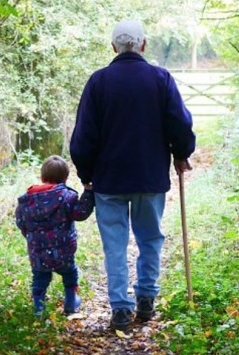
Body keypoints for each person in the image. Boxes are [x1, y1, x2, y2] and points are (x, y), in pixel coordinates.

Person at [70, 19, 196, 331]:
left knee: (115, 244)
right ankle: (146, 301)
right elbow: (179, 123)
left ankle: (121, 309)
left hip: (108, 180)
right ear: (143, 44)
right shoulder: (160, 78)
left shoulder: (98, 82)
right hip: (149, 178)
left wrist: (86, 175)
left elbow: (84, 136)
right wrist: (182, 153)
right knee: (150, 238)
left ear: (113, 47)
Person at [15, 155, 95, 317]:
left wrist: (32, 238)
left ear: (42, 177)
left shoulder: (27, 200)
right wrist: (88, 193)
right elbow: (80, 213)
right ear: (65, 179)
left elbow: (21, 222)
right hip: (63, 252)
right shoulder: (67, 197)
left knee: (40, 280)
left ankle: (39, 310)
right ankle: (71, 303)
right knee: (70, 274)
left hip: (38, 252)